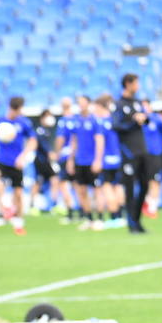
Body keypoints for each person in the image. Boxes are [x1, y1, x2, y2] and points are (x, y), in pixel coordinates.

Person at [0, 95, 36, 235]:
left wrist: (23, 157)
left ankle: (19, 223)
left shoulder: (23, 123)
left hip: (16, 163)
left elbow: (32, 141)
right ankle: (5, 206)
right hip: (2, 160)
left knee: (18, 193)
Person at [111, 73, 149, 233]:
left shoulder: (138, 102)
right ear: (128, 84)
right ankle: (132, 224)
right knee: (130, 188)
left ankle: (138, 219)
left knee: (145, 186)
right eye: (136, 83)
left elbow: (146, 121)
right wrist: (133, 121)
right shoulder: (118, 104)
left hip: (142, 149)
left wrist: (144, 118)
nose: (138, 86)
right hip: (128, 152)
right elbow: (116, 125)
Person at [68, 96, 105, 231]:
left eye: (83, 103)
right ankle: (89, 219)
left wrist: (98, 160)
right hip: (79, 161)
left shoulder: (95, 120)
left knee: (96, 190)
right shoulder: (76, 120)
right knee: (82, 191)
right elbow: (74, 141)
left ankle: (100, 219)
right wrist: (70, 159)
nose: (81, 105)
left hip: (92, 161)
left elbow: (100, 140)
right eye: (79, 103)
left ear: (89, 104)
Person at [96, 95, 124, 226]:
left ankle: (114, 218)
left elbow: (100, 143)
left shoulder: (101, 123)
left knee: (107, 187)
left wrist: (97, 160)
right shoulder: (116, 120)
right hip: (118, 159)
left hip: (106, 160)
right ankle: (121, 215)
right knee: (118, 187)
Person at [141, 100, 162, 218]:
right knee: (145, 181)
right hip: (142, 154)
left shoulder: (157, 119)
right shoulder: (138, 120)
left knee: (155, 180)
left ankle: (152, 207)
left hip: (156, 154)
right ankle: (146, 204)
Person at [53, 97, 81, 221]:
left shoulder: (63, 121)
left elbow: (60, 139)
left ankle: (70, 212)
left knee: (64, 184)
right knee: (77, 184)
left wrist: (57, 152)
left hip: (65, 155)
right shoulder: (77, 119)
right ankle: (82, 211)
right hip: (77, 155)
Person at [30, 109, 61, 215]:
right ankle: (32, 205)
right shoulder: (39, 130)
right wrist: (50, 153)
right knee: (38, 182)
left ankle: (53, 204)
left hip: (47, 161)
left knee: (54, 180)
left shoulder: (47, 131)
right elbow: (42, 145)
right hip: (41, 161)